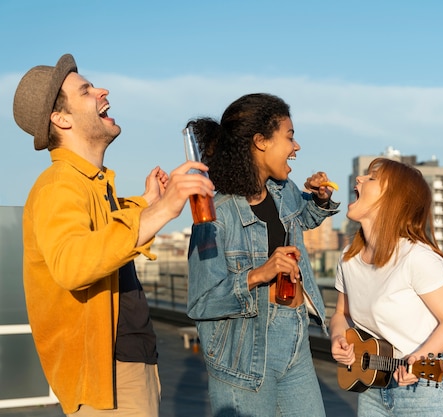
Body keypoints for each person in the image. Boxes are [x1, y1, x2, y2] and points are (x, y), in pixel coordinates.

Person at [13, 54, 214, 416]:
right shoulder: (58, 185)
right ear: (61, 119)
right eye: (86, 90)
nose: (102, 90)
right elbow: (72, 264)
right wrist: (163, 208)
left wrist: (149, 200)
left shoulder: (89, 185)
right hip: (108, 376)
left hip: (130, 364)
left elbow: (104, 226)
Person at [185, 93, 340, 417]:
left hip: (294, 337)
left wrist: (320, 200)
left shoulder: (283, 191)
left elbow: (302, 219)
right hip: (244, 349)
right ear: (260, 142)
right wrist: (259, 273)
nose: (296, 147)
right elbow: (202, 302)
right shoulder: (215, 213)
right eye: (290, 136)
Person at [330, 157, 443, 417]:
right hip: (371, 386)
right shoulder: (349, 257)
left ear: (392, 199)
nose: (359, 179)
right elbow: (342, 314)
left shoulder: (417, 257)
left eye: (371, 179)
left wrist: (418, 359)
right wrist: (338, 338)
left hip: (424, 387)